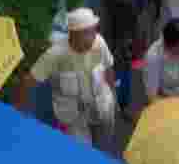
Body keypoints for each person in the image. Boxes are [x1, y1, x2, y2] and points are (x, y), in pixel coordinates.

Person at [15, 8, 116, 151]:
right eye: (87, 33)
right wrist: (20, 115)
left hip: (101, 105)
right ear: (73, 35)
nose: (93, 37)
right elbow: (28, 82)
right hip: (74, 117)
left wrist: (113, 96)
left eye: (93, 31)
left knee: (104, 145)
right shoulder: (55, 54)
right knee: (81, 154)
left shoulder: (99, 43)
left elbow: (109, 67)